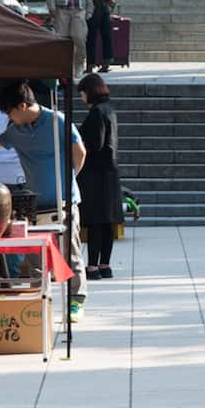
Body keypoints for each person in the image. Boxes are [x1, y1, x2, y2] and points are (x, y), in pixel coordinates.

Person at [0, 82, 89, 319]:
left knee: (71, 251)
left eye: (10, 112)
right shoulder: (14, 130)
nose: (9, 117)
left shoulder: (57, 120)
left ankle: (76, 301)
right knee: (35, 254)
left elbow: (80, 152)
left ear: (23, 106)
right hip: (35, 203)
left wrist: (70, 178)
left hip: (65, 200)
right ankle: (37, 298)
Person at [76, 72, 123, 279]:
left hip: (96, 173)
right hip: (111, 172)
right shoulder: (110, 110)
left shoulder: (96, 112)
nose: (81, 97)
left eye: (82, 93)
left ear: (89, 92)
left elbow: (95, 143)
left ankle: (92, 267)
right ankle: (105, 265)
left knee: (95, 221)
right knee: (107, 222)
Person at [86, 0, 119, 73]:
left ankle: (90, 65)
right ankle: (106, 62)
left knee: (91, 37)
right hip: (102, 7)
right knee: (106, 35)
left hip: (93, 8)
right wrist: (110, 0)